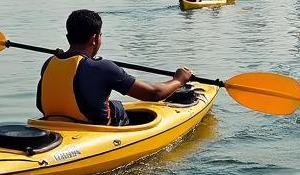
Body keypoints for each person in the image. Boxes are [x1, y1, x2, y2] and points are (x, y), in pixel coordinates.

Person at [36, 9, 192, 127]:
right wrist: (179, 80)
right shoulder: (103, 68)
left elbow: (40, 104)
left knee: (112, 104)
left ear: (68, 38)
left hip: (54, 125)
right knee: (116, 108)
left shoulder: (49, 63)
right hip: (96, 130)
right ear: (95, 39)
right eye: (100, 35)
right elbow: (154, 94)